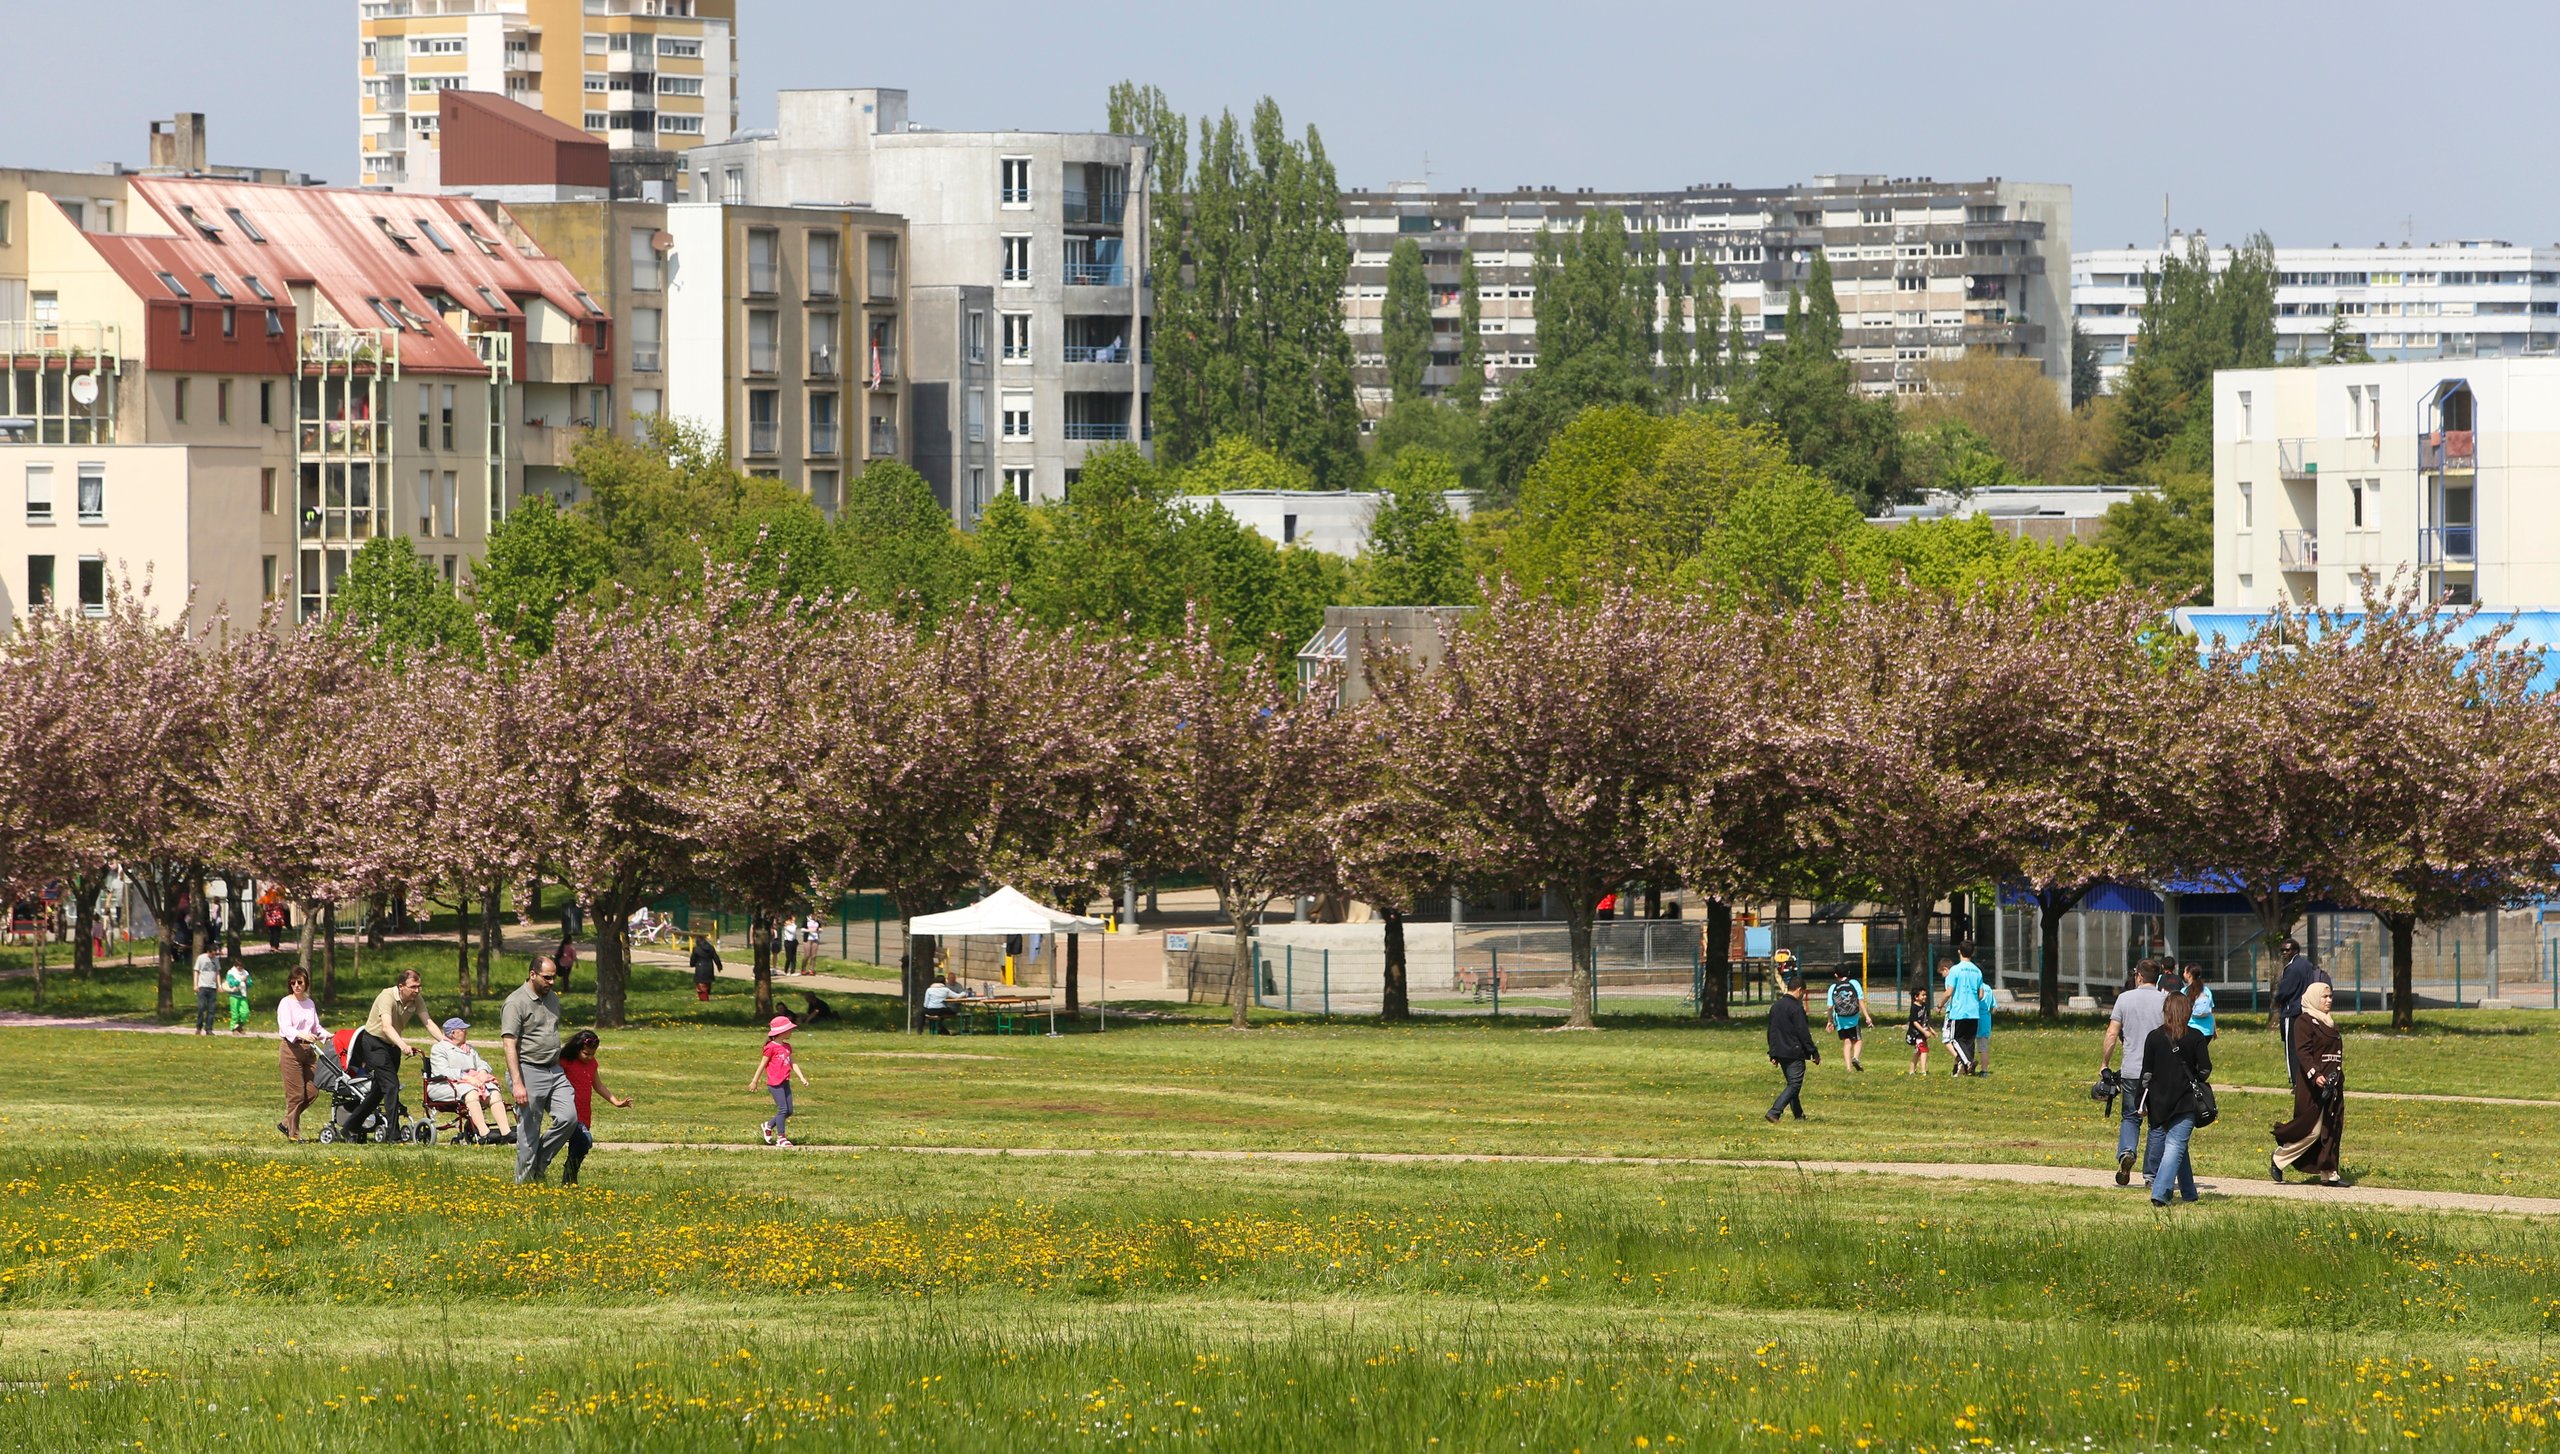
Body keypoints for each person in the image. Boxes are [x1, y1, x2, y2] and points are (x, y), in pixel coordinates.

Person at [503, 956, 577, 1184]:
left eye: (554, 977)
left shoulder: (552, 998)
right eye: (547, 977)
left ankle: (539, 1164)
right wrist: (517, 1083)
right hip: (528, 1071)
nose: (552, 982)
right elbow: (509, 1044)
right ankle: (523, 1183)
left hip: (554, 1071)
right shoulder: (516, 1002)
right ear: (532, 974)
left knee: (568, 1118)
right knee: (529, 1133)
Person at [2140, 990, 2214, 1207]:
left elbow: (2146, 1073)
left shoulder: (2153, 1037)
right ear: (2187, 1013)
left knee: (2178, 1145)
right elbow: (2205, 1069)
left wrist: (2141, 1101)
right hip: (2185, 1101)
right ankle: (2160, 1193)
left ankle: (2189, 1192)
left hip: (2158, 1101)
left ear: (2166, 1012)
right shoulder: (2196, 1037)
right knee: (2175, 1145)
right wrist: (2194, 1077)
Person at [2099, 961, 2169, 1186]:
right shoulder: (2165, 1000)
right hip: (2159, 1070)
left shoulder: (2124, 999)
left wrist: (2105, 1063)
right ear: (2157, 978)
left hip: (2131, 1070)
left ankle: (2127, 1152)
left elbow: (2112, 1034)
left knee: (2130, 1116)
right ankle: (2152, 1175)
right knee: (2157, 1124)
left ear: (2138, 976)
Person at [2270, 980, 2346, 1186]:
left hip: (2333, 1082)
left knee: (2332, 1126)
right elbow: (2303, 1052)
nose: (2329, 1000)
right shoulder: (2304, 1021)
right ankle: (2279, 1158)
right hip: (2313, 1086)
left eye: (2330, 996)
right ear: (2314, 998)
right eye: (2324, 997)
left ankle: (2329, 1173)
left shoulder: (2328, 1021)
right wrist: (2315, 1074)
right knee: (2312, 1130)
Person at [342, 968, 429, 1142]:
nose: (417, 990)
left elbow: (428, 1022)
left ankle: (350, 1127)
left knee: (378, 1091)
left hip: (391, 1045)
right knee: (391, 1086)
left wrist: (446, 1041)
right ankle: (393, 1135)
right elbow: (387, 1027)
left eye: (419, 986)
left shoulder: (416, 999)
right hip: (374, 1043)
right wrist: (403, 1045)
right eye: (413, 987)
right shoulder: (387, 996)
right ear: (401, 986)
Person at [555, 1029, 630, 1185]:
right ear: (577, 1048)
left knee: (578, 1147)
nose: (589, 1057)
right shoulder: (564, 1062)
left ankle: (569, 1180)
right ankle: (568, 1176)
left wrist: (616, 1102)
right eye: (586, 1053)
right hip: (570, 1112)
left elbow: (598, 1086)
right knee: (585, 1141)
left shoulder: (592, 1064)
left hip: (585, 1112)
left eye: (592, 1054)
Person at [427, 1017, 514, 1144]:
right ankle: (484, 1133)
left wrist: (483, 1072)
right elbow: (444, 1071)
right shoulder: (439, 1048)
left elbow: (480, 1063)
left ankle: (506, 1132)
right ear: (452, 1033)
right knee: (471, 1091)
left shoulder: (469, 1048)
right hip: (443, 1085)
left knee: (494, 1091)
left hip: (469, 1083)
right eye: (462, 1030)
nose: (466, 1032)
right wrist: (467, 1078)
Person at [2270, 938, 2331, 1082]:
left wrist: (2277, 1000)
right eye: (2282, 950)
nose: (2284, 953)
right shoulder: (2307, 965)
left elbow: (2285, 991)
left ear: (2295, 951)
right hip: (2308, 1010)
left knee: (2291, 1047)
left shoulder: (2292, 968)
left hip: (2292, 1012)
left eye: (2287, 950)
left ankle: (2295, 1080)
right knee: (2306, 1046)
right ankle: (2308, 1078)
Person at [276, 967, 325, 1142]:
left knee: (312, 1091)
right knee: (296, 1094)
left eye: (300, 982)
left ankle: (286, 1122)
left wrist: (328, 1036)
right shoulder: (286, 1003)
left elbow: (316, 1027)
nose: (296, 985)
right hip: (291, 1050)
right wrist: (301, 1034)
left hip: (309, 1051)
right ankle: (294, 1134)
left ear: (306, 984)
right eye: (293, 982)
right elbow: (286, 1027)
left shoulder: (309, 1003)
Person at [1765, 971, 1820, 1121]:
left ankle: (1799, 1115)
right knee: (1794, 1085)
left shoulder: (1776, 1006)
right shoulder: (1796, 1008)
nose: (1803, 996)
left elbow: (1772, 1032)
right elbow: (1803, 1032)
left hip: (1780, 1052)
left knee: (1792, 1084)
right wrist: (1813, 1052)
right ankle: (1774, 1111)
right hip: (1794, 1052)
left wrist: (1773, 1053)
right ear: (1799, 990)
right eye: (1803, 992)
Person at [753, 1015, 810, 1146]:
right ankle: (781, 1138)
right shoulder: (770, 1047)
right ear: (781, 1032)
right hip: (775, 1083)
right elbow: (762, 1065)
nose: (791, 1032)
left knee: (789, 1111)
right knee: (783, 1110)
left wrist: (802, 1077)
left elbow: (793, 1063)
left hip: (785, 1081)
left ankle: (768, 1125)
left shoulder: (787, 1047)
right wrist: (754, 1081)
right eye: (789, 1029)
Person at [1940, 948, 1988, 1076]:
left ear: (1959, 951)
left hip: (1959, 1011)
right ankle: (1968, 1070)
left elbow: (1949, 992)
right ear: (1972, 953)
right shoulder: (1977, 971)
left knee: (1955, 1038)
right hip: (1973, 1012)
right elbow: (1981, 994)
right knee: (1968, 1041)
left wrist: (1940, 1005)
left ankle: (1968, 1062)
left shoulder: (1955, 969)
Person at [1824, 965, 1869, 1072]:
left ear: (1835, 975)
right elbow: (1860, 1001)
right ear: (1848, 973)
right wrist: (1867, 1016)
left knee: (1847, 1042)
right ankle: (1856, 1058)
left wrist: (1830, 1021)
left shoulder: (1832, 987)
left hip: (1840, 1018)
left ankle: (1849, 1068)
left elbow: (1830, 1007)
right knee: (1858, 1040)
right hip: (1853, 1017)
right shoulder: (1854, 983)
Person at [192, 944, 223, 1035]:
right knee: (201, 1007)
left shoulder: (216, 960)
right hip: (202, 986)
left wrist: (219, 985)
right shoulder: (201, 958)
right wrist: (195, 985)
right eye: (212, 954)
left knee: (211, 1009)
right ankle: (199, 1027)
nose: (213, 956)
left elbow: (217, 973)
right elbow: (196, 971)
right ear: (208, 952)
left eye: (215, 954)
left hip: (212, 987)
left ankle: (209, 1028)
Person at [2181, 962, 2216, 1040]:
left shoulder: (2184, 991)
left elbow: (2182, 1012)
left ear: (2189, 974)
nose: (2183, 974)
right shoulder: (2206, 990)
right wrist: (2214, 1029)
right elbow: (2211, 1010)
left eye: (2184, 972)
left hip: (2191, 1029)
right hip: (2207, 1030)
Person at [1905, 984, 1933, 1075]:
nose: (1925, 997)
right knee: (1923, 1050)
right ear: (1916, 997)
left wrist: (1930, 1030)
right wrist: (1924, 1031)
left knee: (1917, 1052)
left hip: (1922, 1033)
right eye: (1922, 995)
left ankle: (1911, 1070)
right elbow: (1914, 1022)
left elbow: (1925, 1020)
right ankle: (1923, 1070)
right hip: (1916, 1034)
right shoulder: (1914, 1007)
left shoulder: (1924, 1006)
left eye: (1925, 995)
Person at [222, 957, 253, 1034]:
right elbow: (231, 983)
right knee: (235, 1013)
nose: (240, 968)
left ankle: (240, 1026)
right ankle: (233, 1028)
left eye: (241, 966)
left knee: (245, 1012)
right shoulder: (231, 973)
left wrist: (247, 982)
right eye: (238, 966)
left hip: (243, 995)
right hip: (234, 995)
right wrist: (240, 980)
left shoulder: (245, 973)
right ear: (235, 966)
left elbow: (250, 983)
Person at [690, 931, 722, 1002]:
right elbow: (716, 958)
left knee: (701, 986)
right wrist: (719, 966)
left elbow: (693, 960)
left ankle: (704, 999)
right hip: (709, 968)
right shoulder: (711, 948)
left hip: (700, 969)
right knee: (707, 983)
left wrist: (692, 964)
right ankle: (707, 995)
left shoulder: (696, 949)